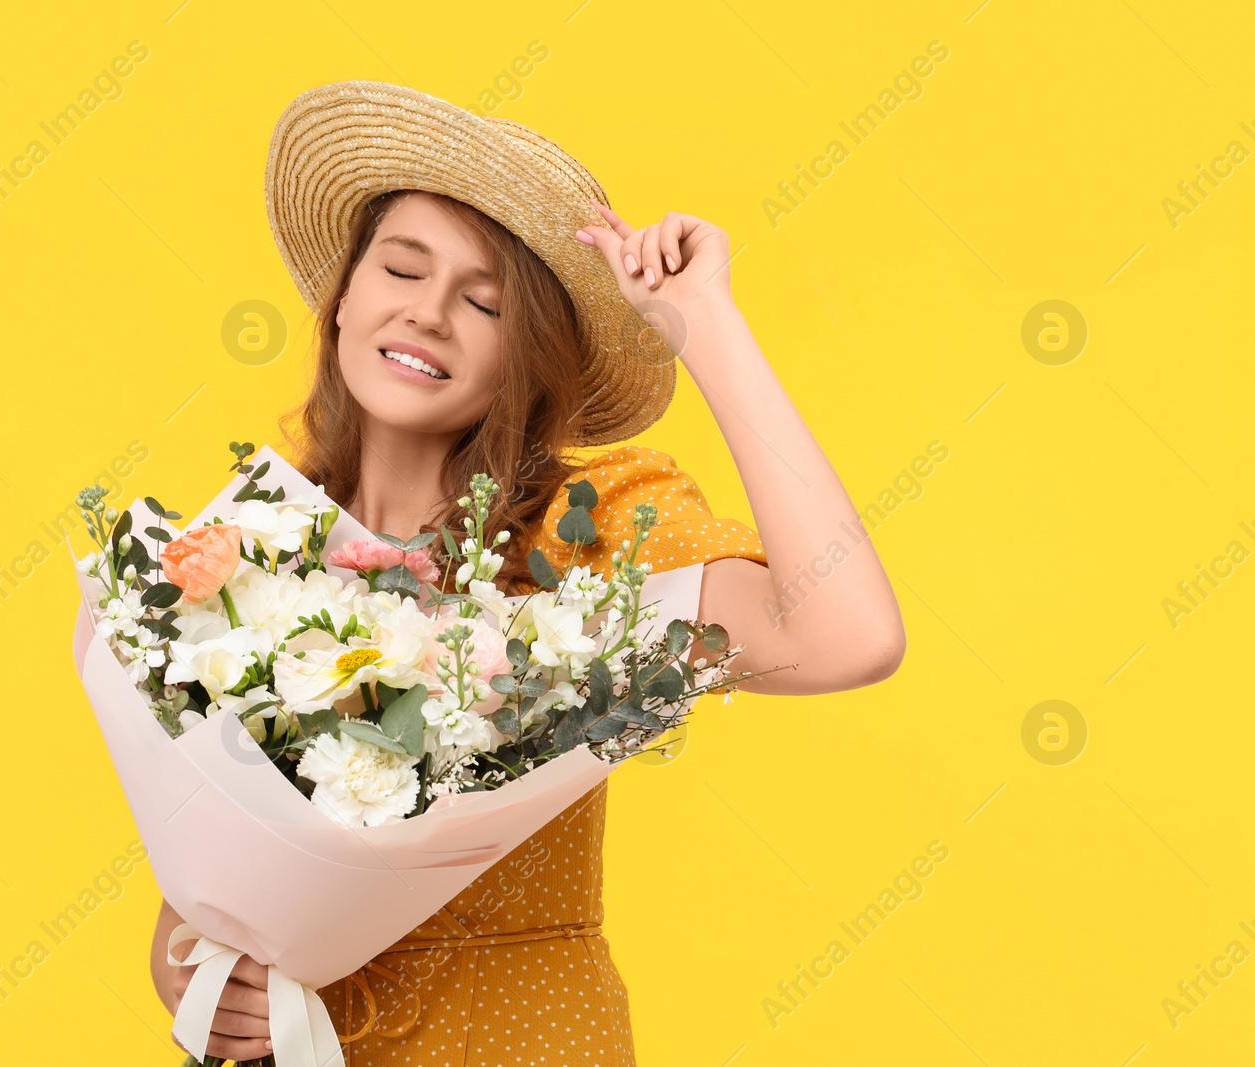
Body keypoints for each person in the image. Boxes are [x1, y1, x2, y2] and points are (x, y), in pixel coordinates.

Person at [149, 80, 906, 1064]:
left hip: (515, 1033)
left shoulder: (585, 529)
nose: (427, 314)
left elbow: (846, 634)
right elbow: (213, 848)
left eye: (483, 300)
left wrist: (704, 322)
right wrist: (191, 971)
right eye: (401, 269)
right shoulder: (249, 539)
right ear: (342, 299)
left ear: (530, 358)